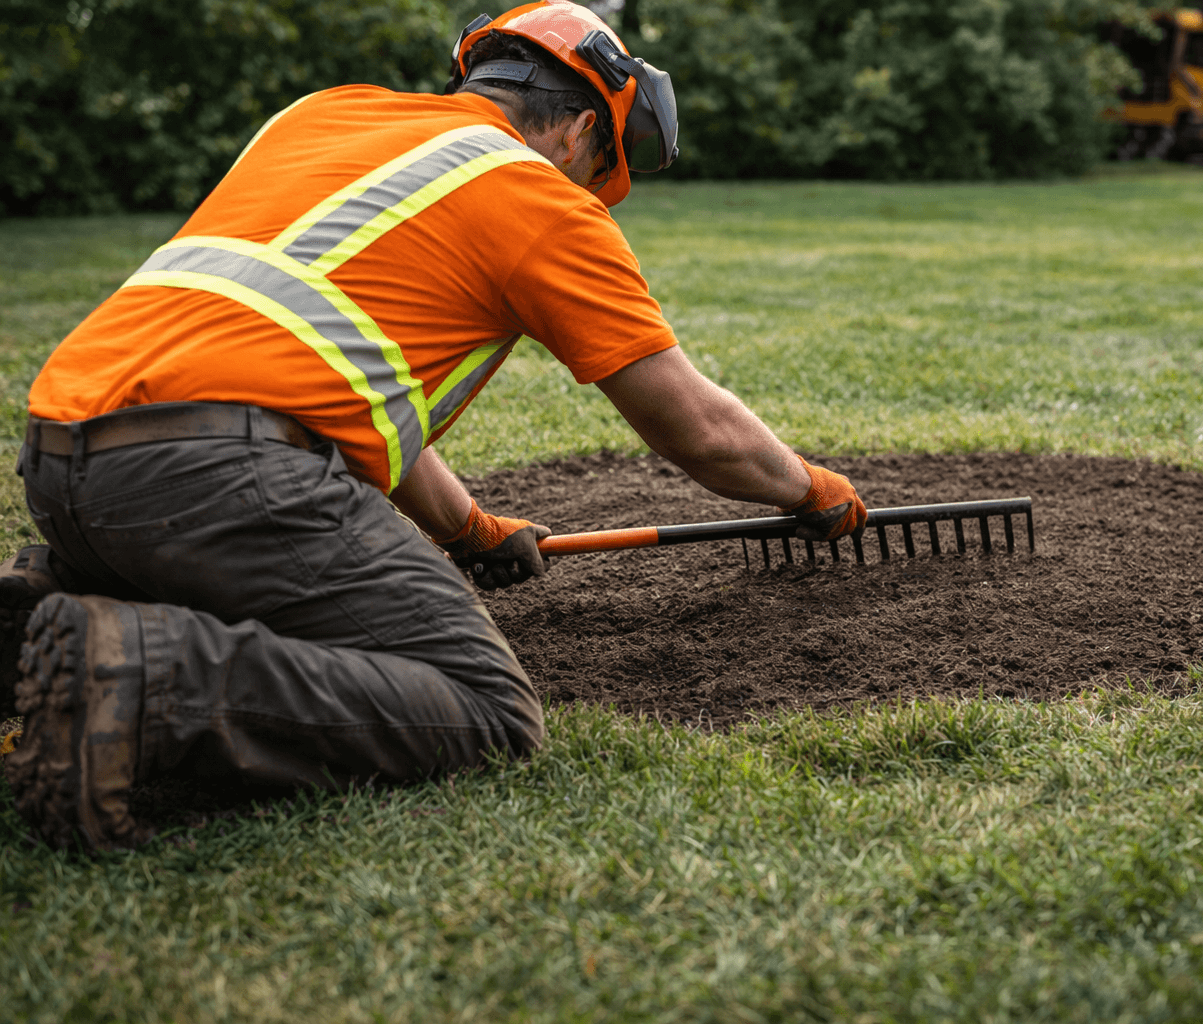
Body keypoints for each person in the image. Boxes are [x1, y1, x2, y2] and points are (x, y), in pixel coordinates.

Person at [0, 0, 865, 853]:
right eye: (601, 162)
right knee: (485, 707)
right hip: (217, 473)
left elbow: (328, 376)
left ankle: (58, 600)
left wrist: (466, 528)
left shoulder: (322, 116)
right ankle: (145, 670)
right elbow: (696, 427)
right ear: (576, 132)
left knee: (263, 576)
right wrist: (810, 486)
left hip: (66, 452)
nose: (592, 187)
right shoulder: (537, 195)